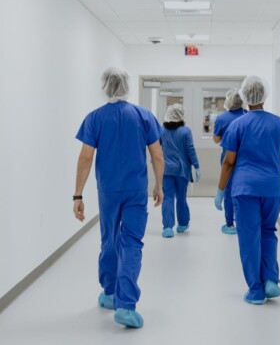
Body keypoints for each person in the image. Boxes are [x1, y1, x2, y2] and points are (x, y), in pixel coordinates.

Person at [73, 67, 164, 328]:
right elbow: (157, 155)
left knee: (110, 240)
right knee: (132, 243)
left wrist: (77, 194)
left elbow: (85, 157)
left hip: (108, 191)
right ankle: (126, 305)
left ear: (105, 86)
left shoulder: (95, 119)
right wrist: (159, 185)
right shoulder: (144, 116)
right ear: (127, 86)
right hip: (136, 190)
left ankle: (110, 292)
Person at [214, 76, 280, 305]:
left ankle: (255, 290)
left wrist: (220, 190)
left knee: (249, 237)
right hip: (273, 189)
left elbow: (229, 162)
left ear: (244, 97)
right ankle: (271, 279)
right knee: (268, 231)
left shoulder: (238, 125)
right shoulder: (279, 123)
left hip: (245, 190)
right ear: (265, 95)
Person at [161, 103, 200, 238]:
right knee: (181, 198)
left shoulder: (161, 130)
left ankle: (167, 227)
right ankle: (183, 224)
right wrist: (196, 165)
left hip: (166, 170)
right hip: (182, 170)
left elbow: (156, 149)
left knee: (167, 198)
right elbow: (190, 150)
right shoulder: (186, 131)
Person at [213, 90, 247, 234]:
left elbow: (216, 139)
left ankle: (229, 224)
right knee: (244, 190)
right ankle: (244, 222)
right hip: (247, 158)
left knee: (228, 191)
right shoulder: (248, 115)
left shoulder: (221, 119)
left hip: (228, 157)